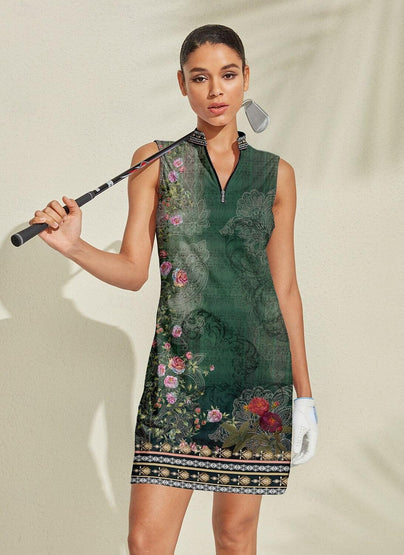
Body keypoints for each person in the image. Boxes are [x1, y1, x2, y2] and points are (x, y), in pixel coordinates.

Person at [29, 23, 318, 555]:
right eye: (199, 77)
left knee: (234, 537)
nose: (215, 90)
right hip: (179, 375)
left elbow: (286, 289)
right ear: (182, 84)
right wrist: (73, 246)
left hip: (258, 380)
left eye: (228, 75)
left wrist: (304, 395)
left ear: (246, 78)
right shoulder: (156, 161)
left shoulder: (276, 175)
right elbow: (133, 270)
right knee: (147, 542)